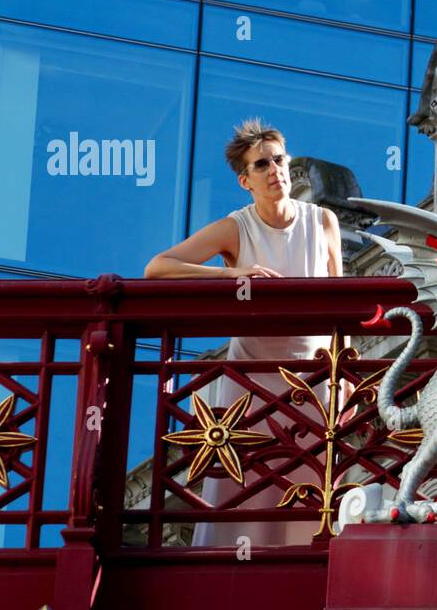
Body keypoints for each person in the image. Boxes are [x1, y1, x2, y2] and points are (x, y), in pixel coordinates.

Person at [144, 119, 343, 547]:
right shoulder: (236, 227)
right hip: (250, 383)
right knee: (242, 486)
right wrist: (234, 273)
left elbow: (343, 306)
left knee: (314, 491)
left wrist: (344, 379)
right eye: (262, 164)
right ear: (245, 180)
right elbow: (157, 267)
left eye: (279, 159)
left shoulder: (323, 221)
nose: (275, 170)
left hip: (314, 382)